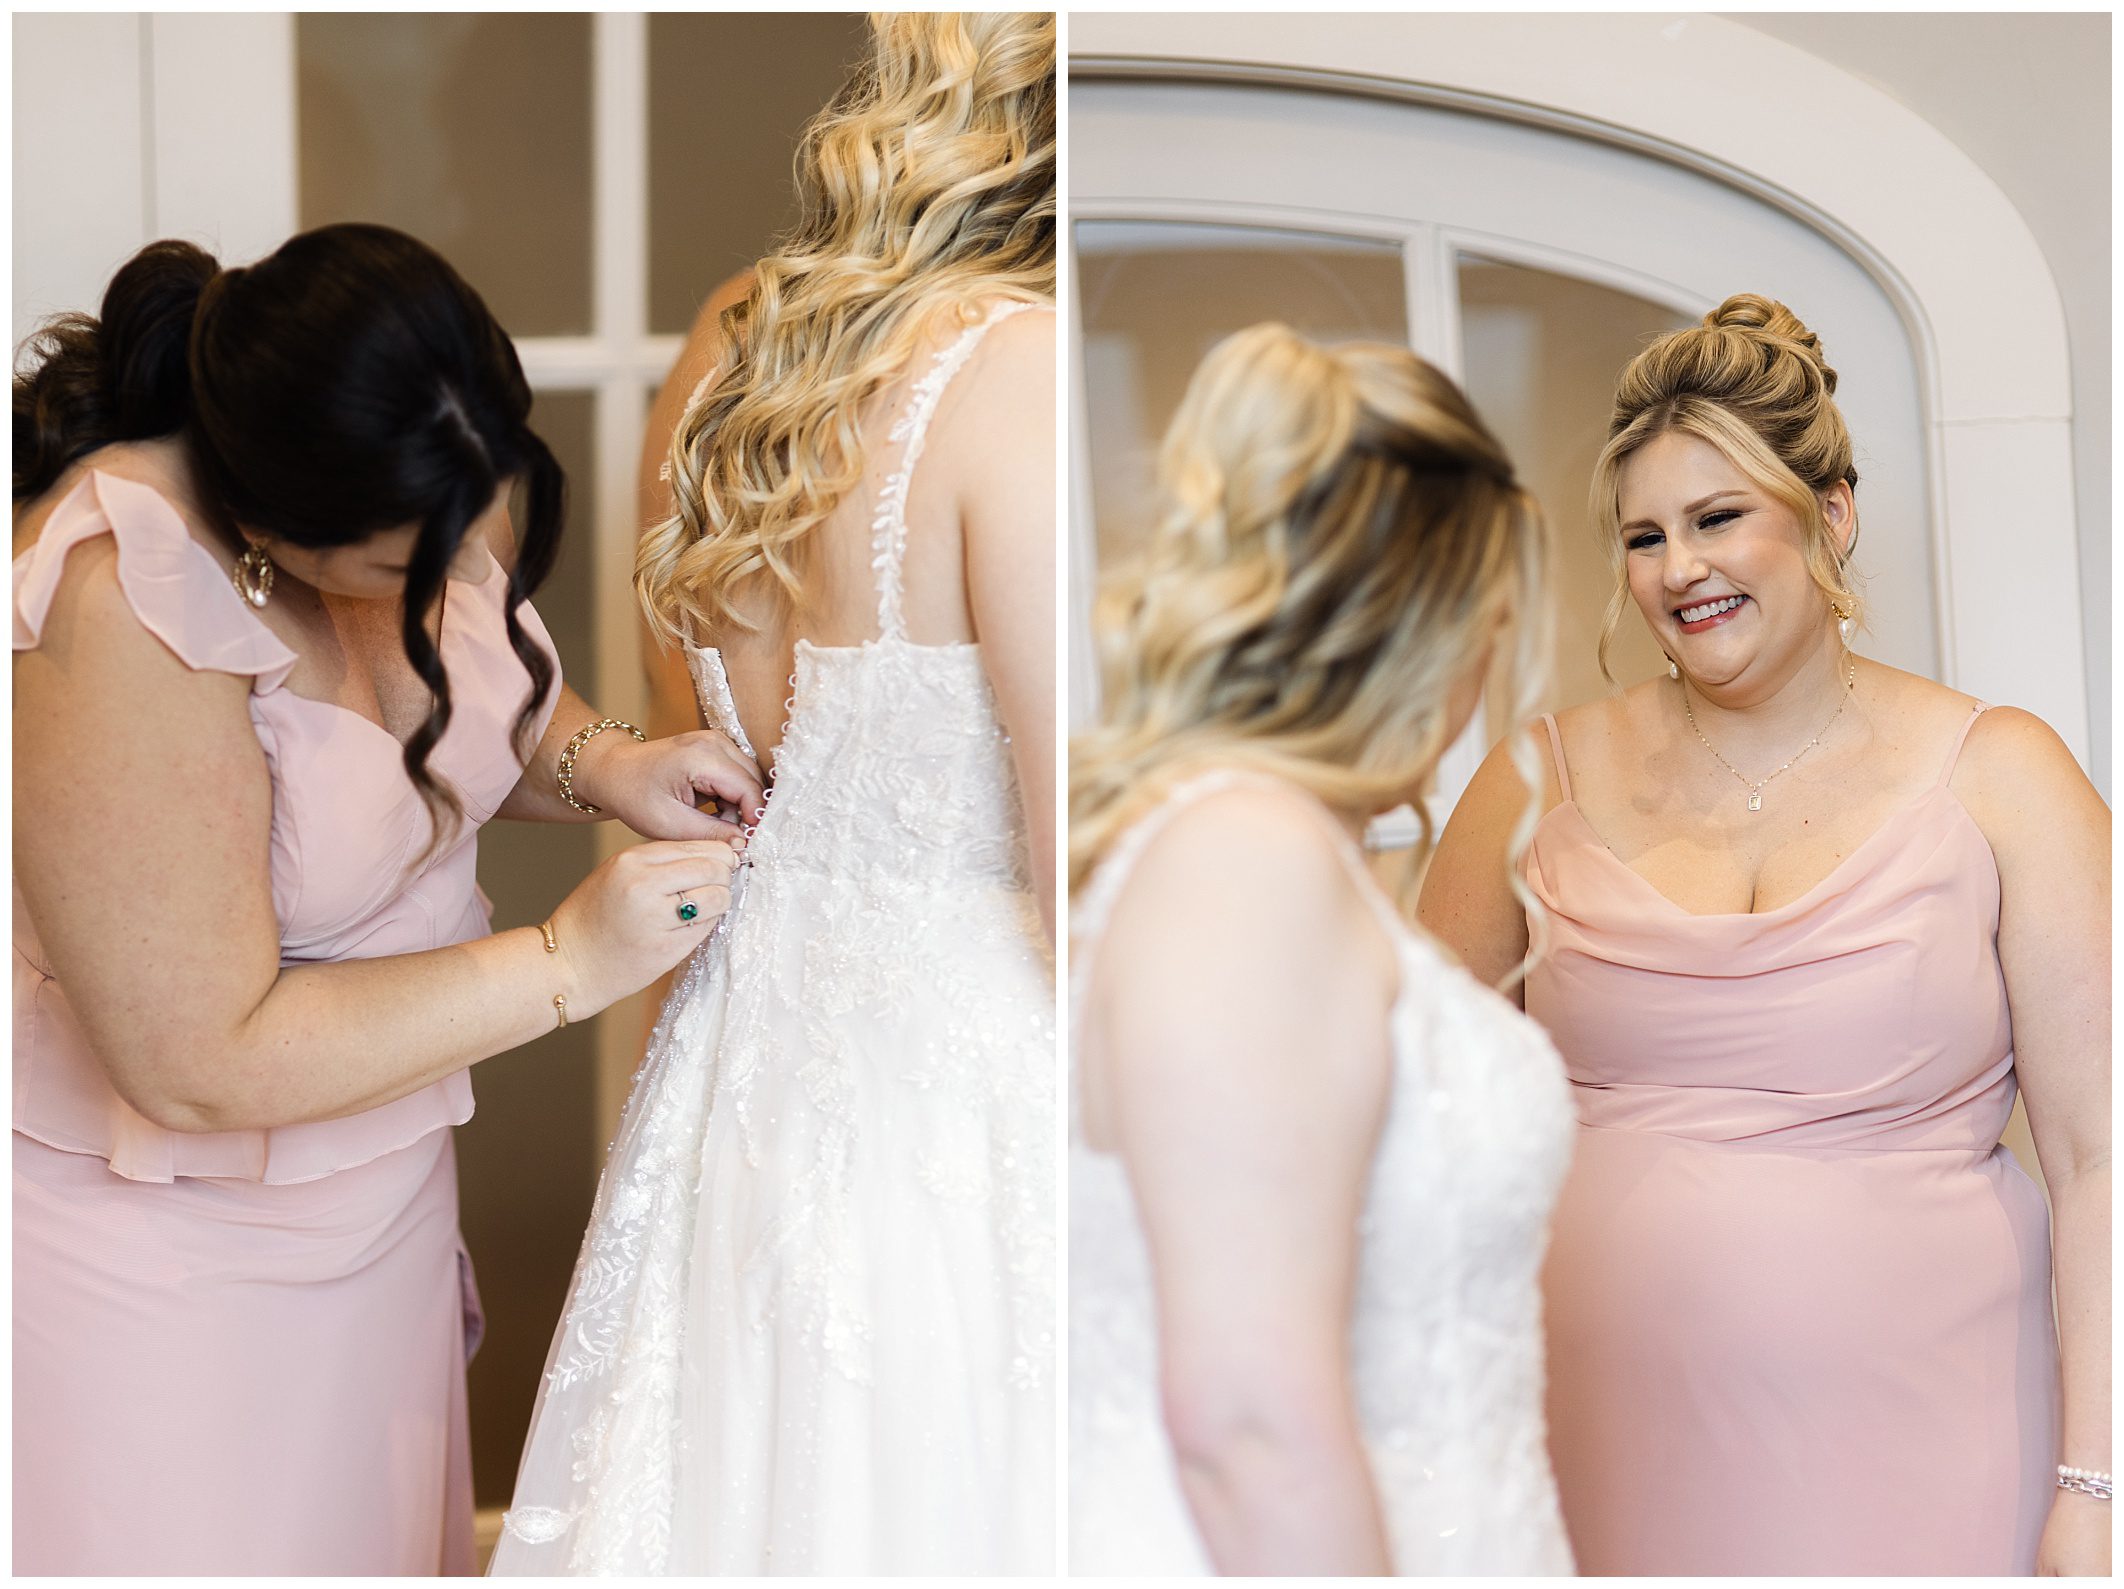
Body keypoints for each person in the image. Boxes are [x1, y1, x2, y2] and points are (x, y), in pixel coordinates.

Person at [11, 224, 762, 1574]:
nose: (471, 571)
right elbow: (192, 1058)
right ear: (272, 523)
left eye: (486, 525)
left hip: (384, 1214)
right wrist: (565, 962)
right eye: (401, 571)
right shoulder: (122, 600)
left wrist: (615, 765)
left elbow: (478, 698)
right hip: (174, 1269)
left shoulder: (409, 471)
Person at [1419, 295, 2111, 1575]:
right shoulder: (1533, 779)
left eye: (1717, 516)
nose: (1680, 567)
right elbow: (1414, 1122)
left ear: (1830, 514)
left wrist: (2099, 1480)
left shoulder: (2006, 774)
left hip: (1941, 1441)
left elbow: (2100, 1157)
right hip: (1595, 1449)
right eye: (1644, 536)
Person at [491, 13, 1056, 1573]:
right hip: (968, 1068)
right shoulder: (1017, 370)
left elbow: (707, 758)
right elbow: (1076, 842)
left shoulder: (737, 350)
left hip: (747, 1053)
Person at [1068, 322, 1576, 1574]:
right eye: (1489, 626)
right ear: (1432, 622)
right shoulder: (1246, 863)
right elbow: (1246, 1424)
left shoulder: (1278, 851)